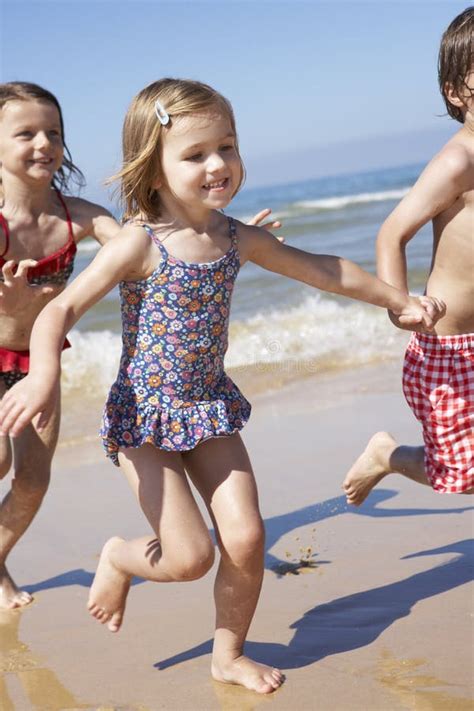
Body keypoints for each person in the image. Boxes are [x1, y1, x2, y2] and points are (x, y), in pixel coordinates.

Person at [0, 78, 443, 694]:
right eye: (196, 154)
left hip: (208, 410)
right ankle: (122, 557)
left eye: (227, 147)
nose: (219, 164)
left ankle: (227, 653)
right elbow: (58, 311)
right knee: (187, 558)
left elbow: (322, 267)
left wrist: (396, 299)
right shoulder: (137, 242)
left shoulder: (236, 237)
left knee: (247, 535)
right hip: (144, 420)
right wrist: (43, 375)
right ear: (153, 170)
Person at [343, 7, 474, 506]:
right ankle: (388, 455)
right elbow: (392, 233)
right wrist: (400, 305)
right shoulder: (457, 160)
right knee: (460, 474)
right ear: (456, 92)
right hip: (449, 346)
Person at [0, 81, 121, 610]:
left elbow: (146, 248)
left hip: (39, 366)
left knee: (31, 479)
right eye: (25, 132)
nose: (43, 142)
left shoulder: (81, 217)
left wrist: (221, 235)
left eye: (53, 132)